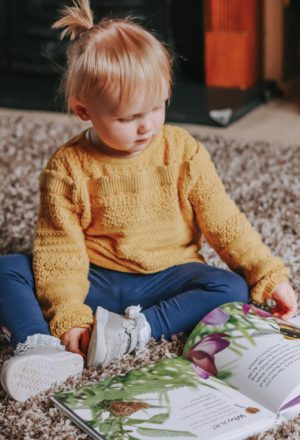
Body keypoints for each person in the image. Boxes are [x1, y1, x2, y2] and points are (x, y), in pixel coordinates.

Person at [0, 0, 297, 402]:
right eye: (127, 118)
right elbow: (60, 249)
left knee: (229, 286)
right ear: (83, 110)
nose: (147, 126)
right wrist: (68, 316)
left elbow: (225, 221)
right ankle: (39, 345)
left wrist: (269, 273)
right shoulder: (68, 167)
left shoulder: (182, 151)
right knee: (10, 269)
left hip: (167, 278)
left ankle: (135, 332)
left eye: (157, 107)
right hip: (97, 278)